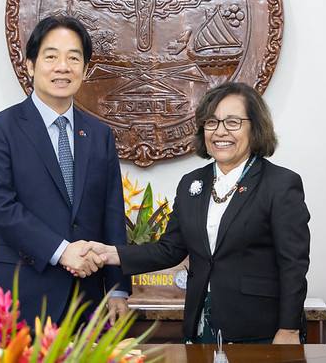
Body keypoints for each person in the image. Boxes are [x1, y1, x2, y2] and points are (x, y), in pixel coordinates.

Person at [87, 82, 310, 343]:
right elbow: (170, 249)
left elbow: (293, 265)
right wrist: (110, 253)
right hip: (201, 325)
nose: (220, 131)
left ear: (255, 127)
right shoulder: (192, 183)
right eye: (212, 122)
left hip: (261, 330)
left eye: (233, 122)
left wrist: (289, 329)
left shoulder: (280, 184)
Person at [0, 16, 130, 325]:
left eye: (74, 58)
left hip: (86, 299)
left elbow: (112, 212)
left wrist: (117, 289)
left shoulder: (99, 135)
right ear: (31, 65)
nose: (63, 66)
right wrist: (61, 251)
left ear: (85, 70)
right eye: (51, 56)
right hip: (21, 293)